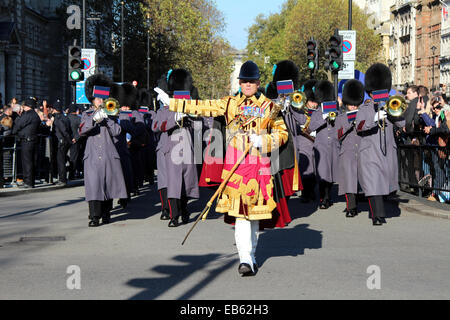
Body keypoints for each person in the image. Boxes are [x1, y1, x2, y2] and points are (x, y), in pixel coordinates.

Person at [159, 61, 291, 276]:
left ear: (258, 83)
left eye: (251, 81)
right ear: (240, 83)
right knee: (240, 215)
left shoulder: (269, 106)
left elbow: (283, 134)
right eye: (244, 81)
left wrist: (262, 140)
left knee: (255, 216)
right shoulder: (228, 103)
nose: (247, 85)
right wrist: (174, 103)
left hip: (260, 168)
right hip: (235, 168)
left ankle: (252, 255)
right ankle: (245, 259)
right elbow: (201, 106)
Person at [355, 63, 405, 226]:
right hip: (370, 152)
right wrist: (375, 118)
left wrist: (394, 114)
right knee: (373, 184)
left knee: (383, 183)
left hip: (386, 152)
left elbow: (402, 124)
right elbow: (359, 126)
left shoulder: (390, 105)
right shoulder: (364, 108)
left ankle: (379, 210)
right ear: (370, 92)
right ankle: (377, 215)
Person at [79, 74, 128, 227]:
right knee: (94, 186)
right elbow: (82, 131)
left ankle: (106, 213)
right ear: (92, 100)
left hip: (108, 154)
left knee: (108, 184)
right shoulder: (86, 115)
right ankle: (94, 216)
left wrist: (107, 119)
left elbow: (117, 132)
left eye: (102, 98)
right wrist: (94, 119)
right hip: (92, 155)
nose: (101, 101)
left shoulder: (112, 114)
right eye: (98, 99)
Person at [154, 69, 200, 227]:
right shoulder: (165, 109)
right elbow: (157, 126)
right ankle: (174, 216)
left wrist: (194, 116)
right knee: (173, 184)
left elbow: (201, 127)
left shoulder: (189, 107)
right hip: (171, 149)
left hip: (186, 148)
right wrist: (175, 117)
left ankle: (184, 209)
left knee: (186, 183)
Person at [308, 80, 340, 209]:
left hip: (333, 145)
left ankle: (328, 196)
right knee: (322, 173)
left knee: (331, 173)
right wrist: (324, 117)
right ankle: (324, 198)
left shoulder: (336, 111)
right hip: (321, 146)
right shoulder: (316, 112)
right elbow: (311, 127)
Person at [335, 79, 365, 217]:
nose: (352, 107)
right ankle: (351, 207)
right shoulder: (341, 117)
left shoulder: (364, 115)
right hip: (347, 152)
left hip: (362, 150)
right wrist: (348, 125)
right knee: (349, 180)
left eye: (355, 104)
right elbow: (337, 135)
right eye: (350, 104)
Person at [11, 97, 41, 188]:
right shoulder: (35, 115)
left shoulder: (28, 115)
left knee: (27, 162)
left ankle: (28, 182)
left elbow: (19, 125)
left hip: (27, 141)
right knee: (32, 162)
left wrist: (14, 131)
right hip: (33, 140)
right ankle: (30, 181)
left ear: (27, 106)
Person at [50, 100, 72, 186]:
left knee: (61, 161)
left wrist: (68, 139)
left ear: (55, 109)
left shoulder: (58, 118)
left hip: (62, 141)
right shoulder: (65, 117)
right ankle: (62, 178)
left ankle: (62, 179)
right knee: (62, 160)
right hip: (65, 141)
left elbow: (64, 130)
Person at [67, 104, 82, 179]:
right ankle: (71, 174)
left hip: (66, 139)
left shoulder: (66, 118)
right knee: (74, 158)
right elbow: (81, 130)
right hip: (75, 141)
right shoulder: (79, 119)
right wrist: (76, 138)